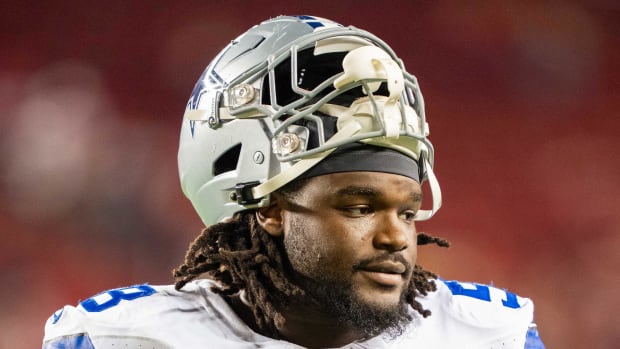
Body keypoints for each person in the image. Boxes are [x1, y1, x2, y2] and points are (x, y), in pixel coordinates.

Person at [43, 15, 546, 348]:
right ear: (269, 207)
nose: (396, 237)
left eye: (408, 211)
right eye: (358, 207)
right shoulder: (119, 339)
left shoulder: (487, 336)